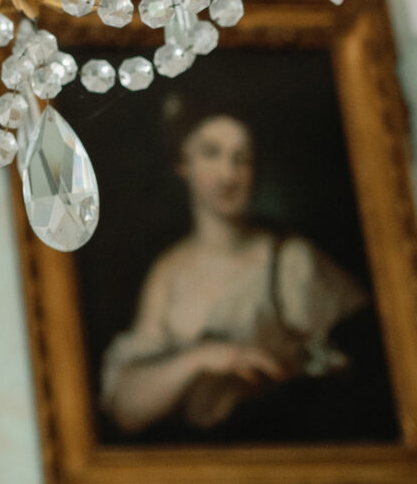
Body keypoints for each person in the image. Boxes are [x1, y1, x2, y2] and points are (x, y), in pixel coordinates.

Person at [101, 102, 369, 437]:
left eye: (241, 159)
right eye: (211, 154)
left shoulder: (289, 260)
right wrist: (200, 359)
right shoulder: (169, 270)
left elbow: (358, 373)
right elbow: (127, 409)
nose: (228, 175)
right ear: (183, 164)